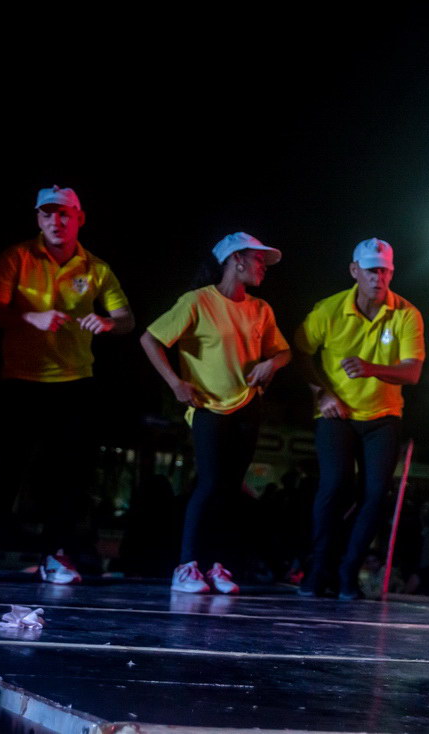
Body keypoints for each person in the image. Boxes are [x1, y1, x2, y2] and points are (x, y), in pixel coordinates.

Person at [0, 186, 134, 584]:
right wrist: (33, 319)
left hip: (75, 381)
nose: (55, 222)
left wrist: (110, 323)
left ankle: (56, 555)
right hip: (21, 380)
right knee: (6, 468)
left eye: (64, 214)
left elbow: (127, 317)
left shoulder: (96, 268)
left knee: (69, 475)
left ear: (79, 218)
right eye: (47, 214)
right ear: (38, 219)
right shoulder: (18, 256)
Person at [141, 232, 291, 593]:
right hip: (208, 407)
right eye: (257, 261)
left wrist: (270, 365)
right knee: (209, 484)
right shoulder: (197, 301)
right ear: (236, 260)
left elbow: (283, 352)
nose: (263, 268)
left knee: (230, 489)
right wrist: (176, 383)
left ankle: (218, 565)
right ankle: (186, 566)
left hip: (247, 406)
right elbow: (150, 339)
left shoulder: (260, 309)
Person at [296, 238, 424, 600]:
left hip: (383, 416)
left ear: (391, 273)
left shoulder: (405, 313)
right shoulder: (330, 309)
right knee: (335, 485)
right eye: (371, 270)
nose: (377, 277)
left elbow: (412, 372)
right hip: (337, 413)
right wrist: (321, 393)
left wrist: (371, 369)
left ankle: (348, 573)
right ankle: (317, 569)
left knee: (374, 495)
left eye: (384, 270)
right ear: (355, 271)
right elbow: (300, 351)